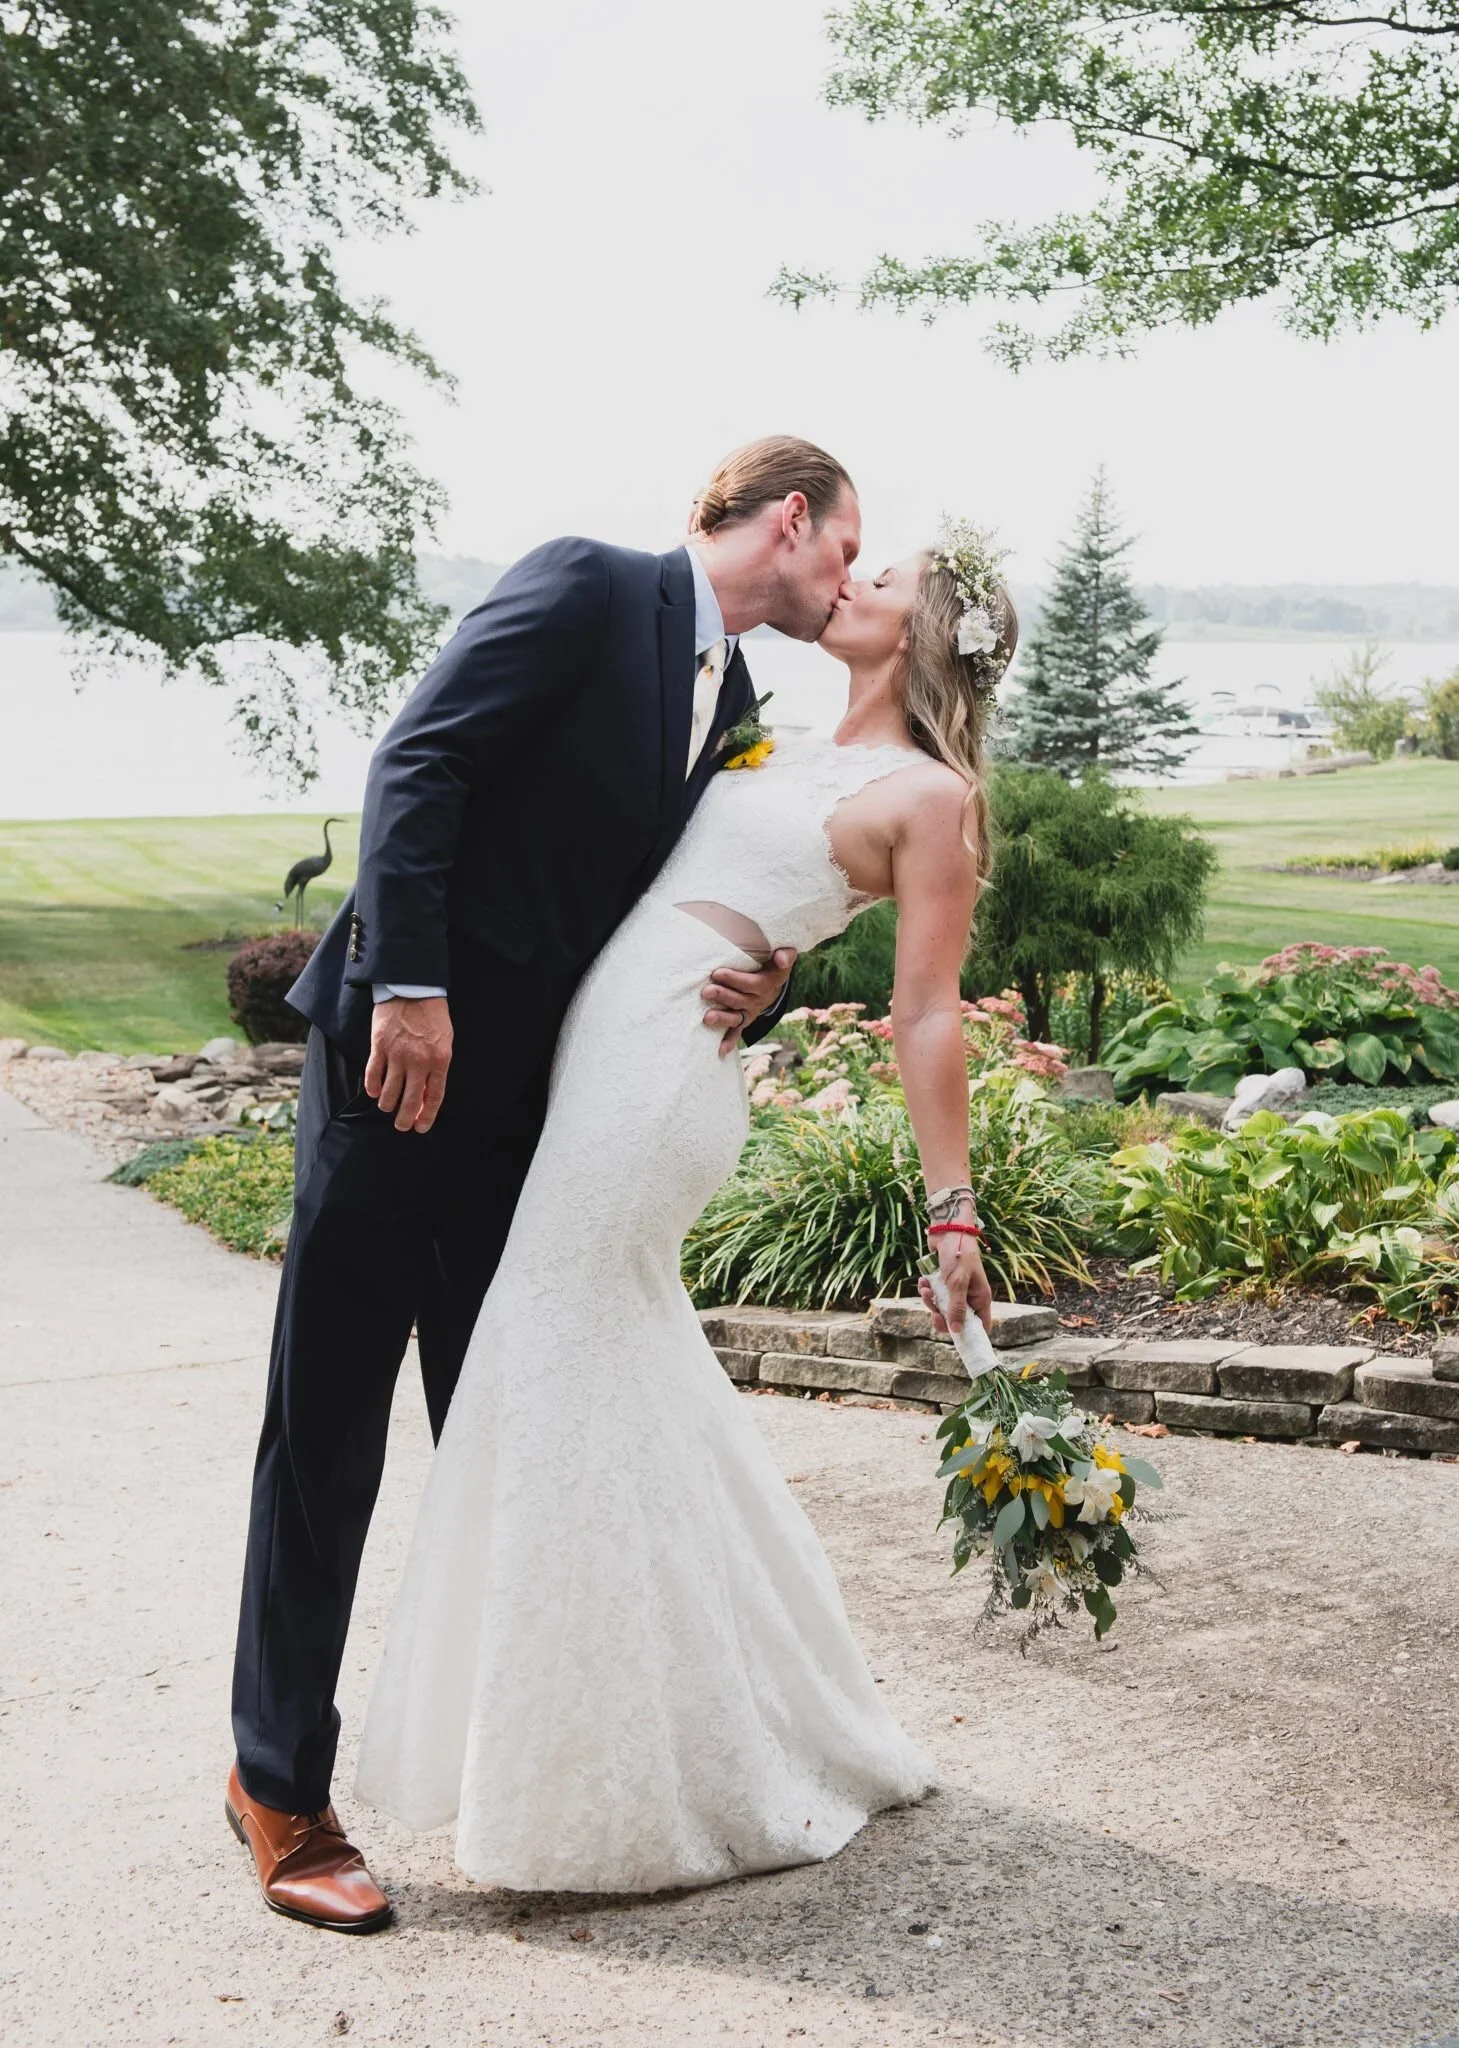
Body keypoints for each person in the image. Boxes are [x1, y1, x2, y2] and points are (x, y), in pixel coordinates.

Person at [226, 437, 864, 1933]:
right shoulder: (591, 588)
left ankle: (526, 1772)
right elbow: (421, 763)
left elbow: (665, 898)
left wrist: (763, 973)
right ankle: (278, 1787)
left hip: (533, 1117)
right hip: (400, 1069)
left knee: (507, 1426)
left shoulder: (741, 699)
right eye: (844, 547)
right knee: (326, 1428)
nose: (846, 578)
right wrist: (410, 991)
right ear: (788, 517)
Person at [352, 519, 1010, 1896]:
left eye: (875, 579)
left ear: (928, 633)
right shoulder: (761, 724)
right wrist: (768, 964)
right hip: (589, 1036)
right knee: (609, 1364)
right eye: (847, 560)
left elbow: (926, 1007)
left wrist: (950, 1209)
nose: (846, 580)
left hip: (655, 1079)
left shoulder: (928, 797)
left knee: (553, 1338)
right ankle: (728, 1702)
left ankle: (604, 1771)